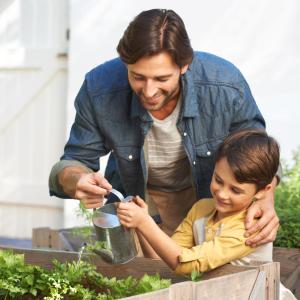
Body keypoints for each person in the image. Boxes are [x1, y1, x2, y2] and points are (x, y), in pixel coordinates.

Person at [49, 9, 279, 251]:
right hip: (139, 204)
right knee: (142, 283)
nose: (149, 91)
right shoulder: (99, 88)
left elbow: (259, 152)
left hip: (208, 204)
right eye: (138, 76)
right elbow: (74, 161)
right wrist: (77, 179)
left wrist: (266, 196)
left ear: (184, 66)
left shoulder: (224, 85)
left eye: (161, 79)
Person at [116, 129, 296, 300]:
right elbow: (164, 258)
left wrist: (145, 223)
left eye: (235, 190)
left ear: (263, 191)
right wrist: (142, 225)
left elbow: (187, 264)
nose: (222, 194)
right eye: (218, 180)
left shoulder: (251, 227)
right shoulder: (201, 209)